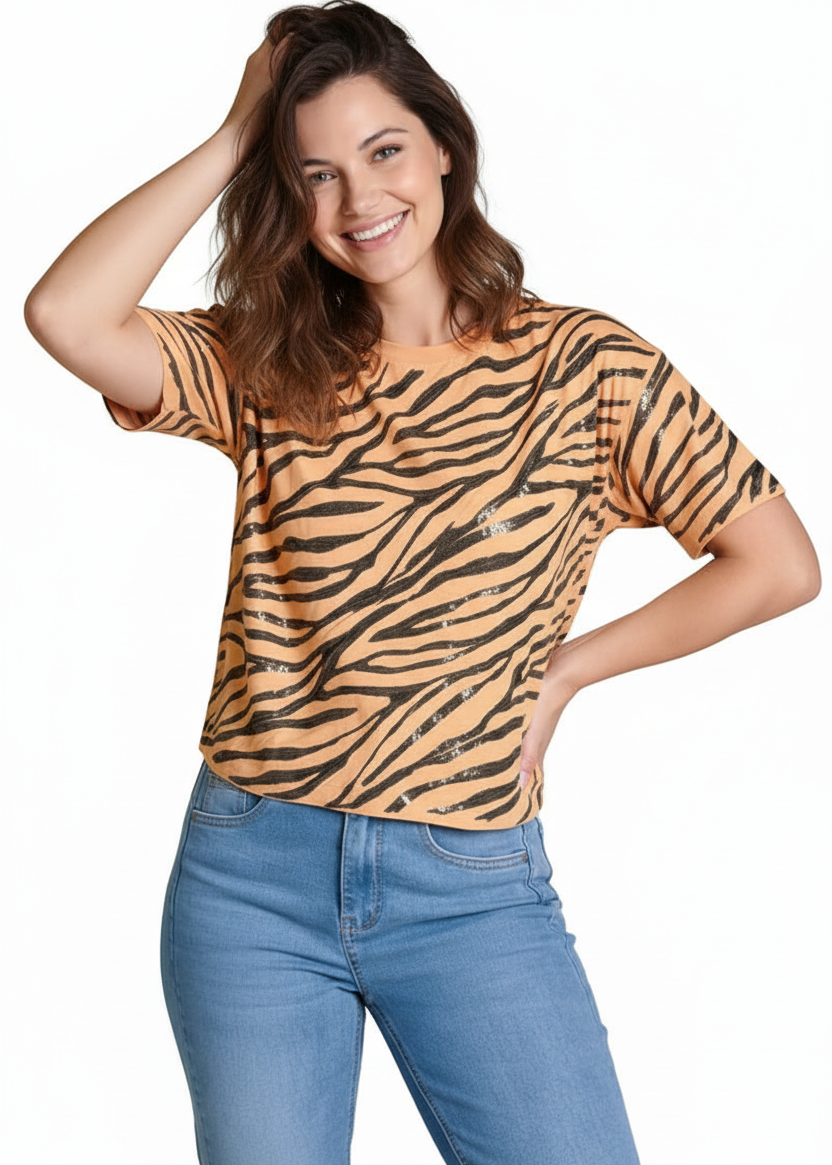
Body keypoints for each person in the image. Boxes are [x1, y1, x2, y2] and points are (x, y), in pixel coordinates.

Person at [23, 2, 821, 1163]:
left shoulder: (584, 367)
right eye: (315, 175)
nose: (359, 202)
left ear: (445, 144)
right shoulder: (265, 359)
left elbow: (778, 562)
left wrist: (565, 672)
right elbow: (64, 313)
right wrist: (238, 126)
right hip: (251, 872)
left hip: (470, 879)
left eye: (384, 151)